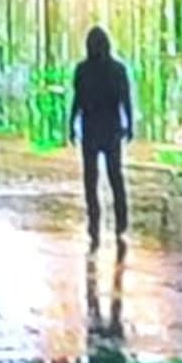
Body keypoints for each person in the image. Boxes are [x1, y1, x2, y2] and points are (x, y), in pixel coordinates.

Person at [69, 25, 135, 246]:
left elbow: (77, 100)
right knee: (115, 175)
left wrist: (72, 123)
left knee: (92, 178)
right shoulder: (117, 70)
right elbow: (125, 100)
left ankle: (95, 222)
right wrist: (129, 123)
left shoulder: (83, 70)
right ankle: (120, 221)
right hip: (110, 128)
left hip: (92, 127)